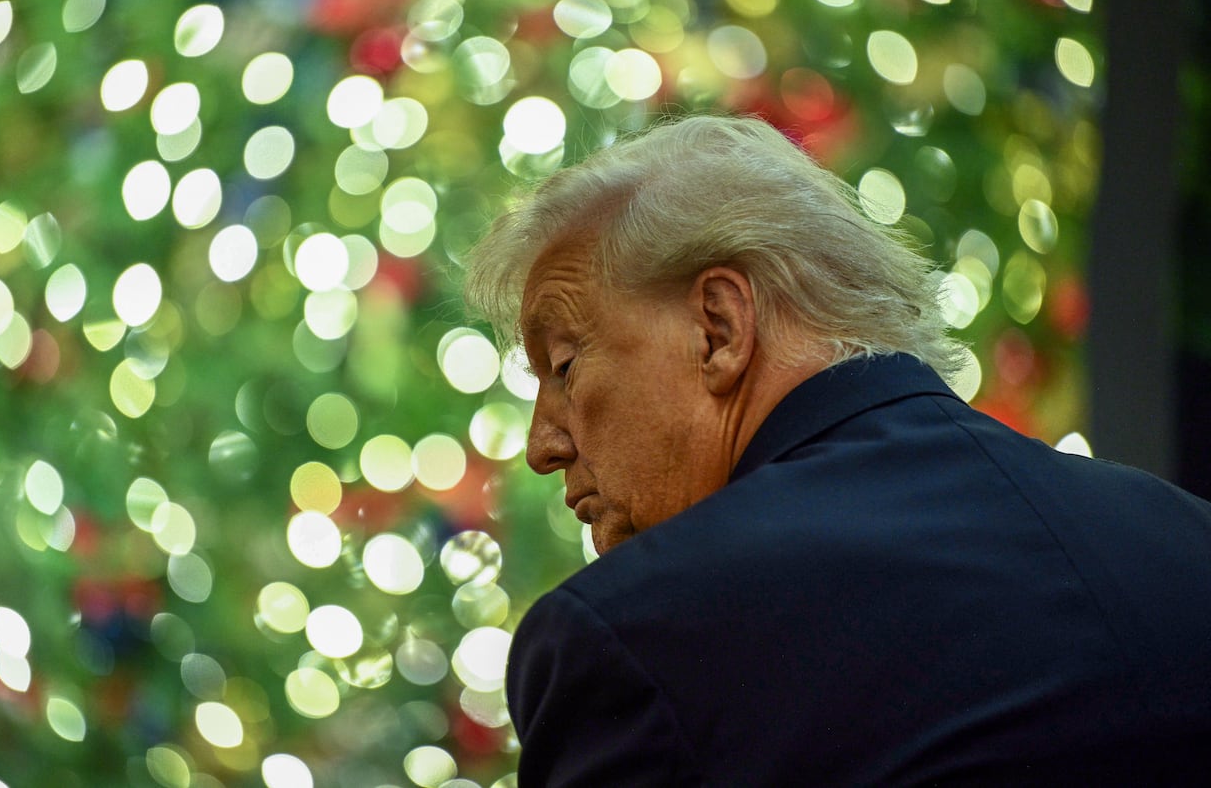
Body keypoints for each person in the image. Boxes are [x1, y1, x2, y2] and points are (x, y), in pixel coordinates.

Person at [463, 114, 1211, 786]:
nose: (541, 445)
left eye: (563, 367)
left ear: (718, 328)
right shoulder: (1188, 538)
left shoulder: (636, 644)